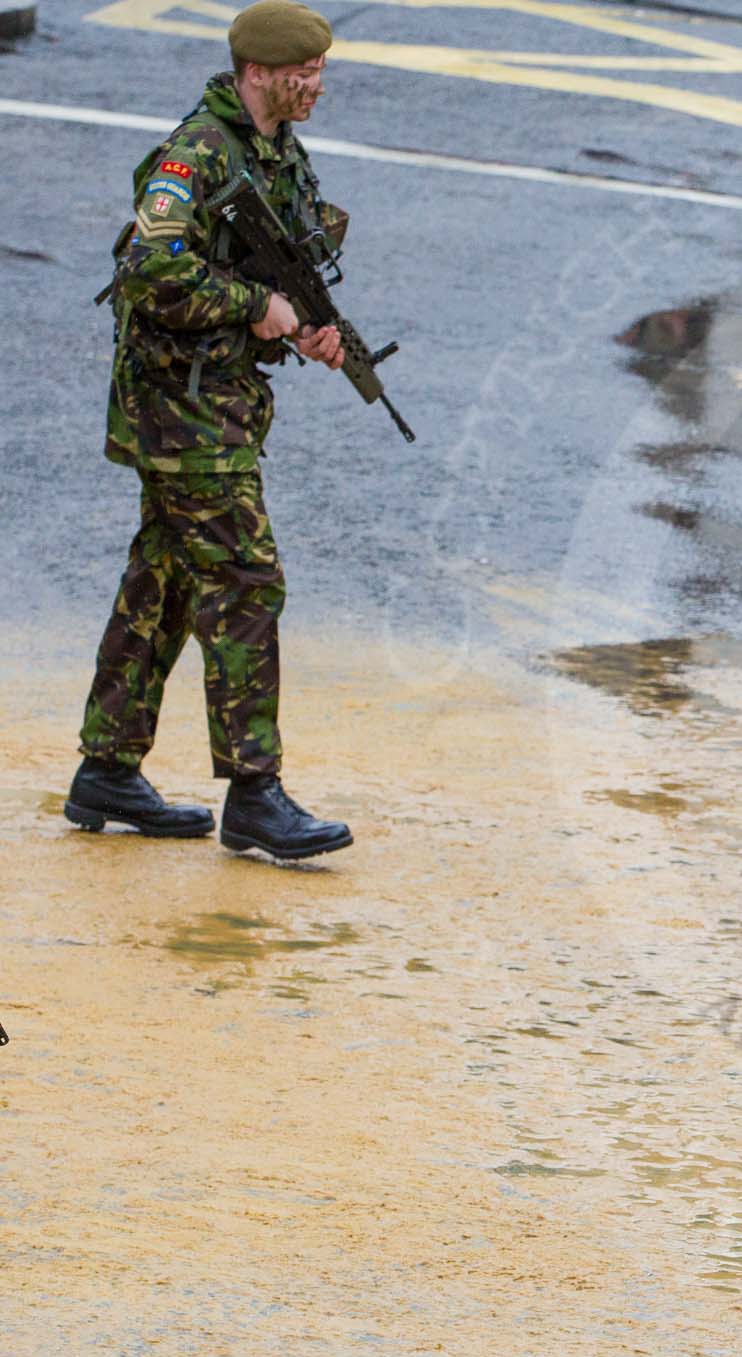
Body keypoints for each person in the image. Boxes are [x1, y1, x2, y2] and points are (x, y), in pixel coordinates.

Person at [63, 0, 354, 860]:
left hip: (219, 402)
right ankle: (255, 793)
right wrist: (254, 306)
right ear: (258, 73)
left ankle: (107, 769)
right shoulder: (192, 156)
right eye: (304, 72)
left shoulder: (275, 151)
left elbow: (279, 265)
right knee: (246, 578)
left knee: (167, 578)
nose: (317, 85)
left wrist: (308, 326)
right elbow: (149, 270)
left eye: (320, 70)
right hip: (178, 408)